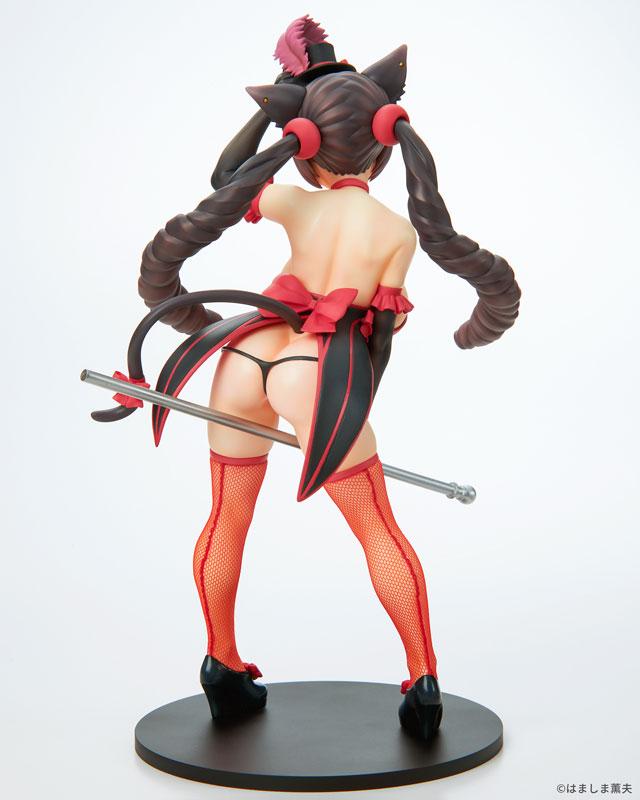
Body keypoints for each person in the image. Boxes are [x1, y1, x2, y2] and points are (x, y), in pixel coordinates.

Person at [97, 16, 521, 740]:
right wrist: (353, 403)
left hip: (241, 356)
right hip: (312, 373)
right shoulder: (397, 232)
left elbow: (227, 180)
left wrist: (279, 114)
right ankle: (423, 683)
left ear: (308, 150)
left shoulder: (295, 201)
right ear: (384, 148)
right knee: (378, 527)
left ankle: (221, 663)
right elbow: (379, 332)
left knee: (226, 519)